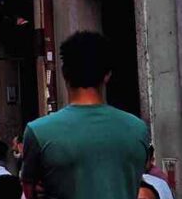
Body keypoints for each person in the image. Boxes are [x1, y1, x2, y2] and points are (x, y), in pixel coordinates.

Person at [21, 32, 149, 199]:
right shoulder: (138, 129)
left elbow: (29, 191)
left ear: (64, 72)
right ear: (107, 75)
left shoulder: (38, 132)